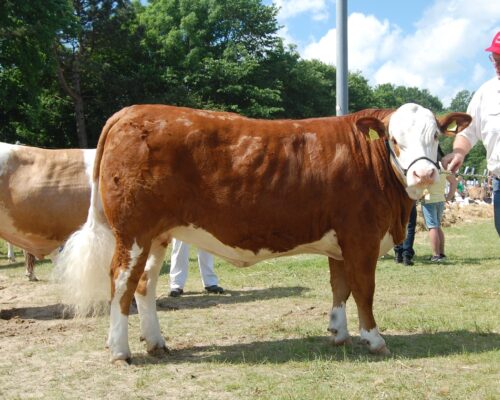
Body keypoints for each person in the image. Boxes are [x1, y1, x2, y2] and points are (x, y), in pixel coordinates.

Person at [442, 31, 500, 235]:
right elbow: (468, 131)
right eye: (494, 58)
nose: (496, 64)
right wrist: (458, 153)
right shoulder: (486, 93)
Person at [421, 171, 457, 262]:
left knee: (432, 227)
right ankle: (441, 253)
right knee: (437, 226)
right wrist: (449, 197)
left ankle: (436, 255)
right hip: (440, 199)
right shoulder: (443, 167)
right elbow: (453, 182)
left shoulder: (427, 166)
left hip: (429, 199)